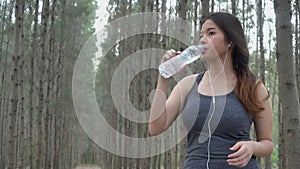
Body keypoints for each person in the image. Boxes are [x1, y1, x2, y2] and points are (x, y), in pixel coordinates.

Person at [149, 12, 273, 169]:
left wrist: (252, 147)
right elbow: (155, 127)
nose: (202, 40)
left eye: (211, 33)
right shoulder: (188, 85)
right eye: (202, 35)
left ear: (230, 41)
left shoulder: (254, 87)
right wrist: (163, 79)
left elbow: (267, 143)